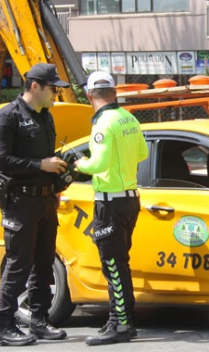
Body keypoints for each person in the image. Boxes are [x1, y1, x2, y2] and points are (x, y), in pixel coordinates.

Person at [0, 63, 70, 346]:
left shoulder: (45, 116)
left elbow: (47, 159)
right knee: (18, 265)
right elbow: (0, 161)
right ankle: (3, 326)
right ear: (35, 86)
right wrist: (41, 165)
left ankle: (39, 320)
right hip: (20, 202)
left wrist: (58, 170)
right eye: (53, 89)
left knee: (44, 265)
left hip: (45, 200)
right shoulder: (7, 117)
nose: (56, 95)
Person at [74, 71, 148, 346]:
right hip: (129, 200)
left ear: (90, 94)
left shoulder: (103, 123)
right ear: (114, 93)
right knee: (120, 263)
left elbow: (98, 164)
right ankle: (124, 321)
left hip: (110, 201)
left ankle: (120, 325)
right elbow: (142, 153)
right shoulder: (129, 118)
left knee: (113, 266)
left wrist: (81, 163)